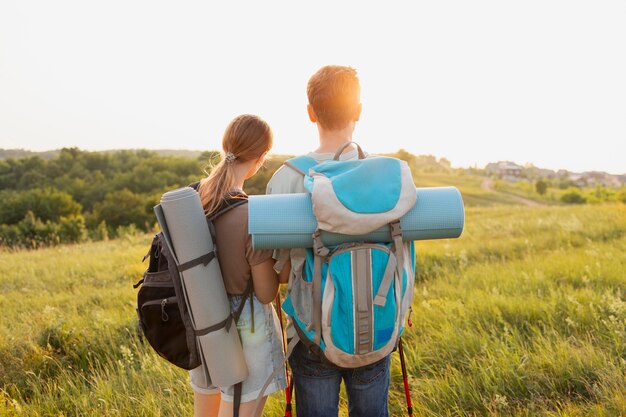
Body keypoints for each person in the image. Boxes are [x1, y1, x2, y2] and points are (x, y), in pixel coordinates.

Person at [266, 65, 392, 417]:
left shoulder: (287, 178)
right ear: (359, 111)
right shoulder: (385, 178)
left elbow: (279, 272)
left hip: (312, 332)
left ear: (311, 113)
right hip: (376, 326)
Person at [190, 114, 288, 417]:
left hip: (202, 322)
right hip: (248, 326)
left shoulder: (194, 199)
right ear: (261, 159)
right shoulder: (250, 214)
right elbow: (265, 293)